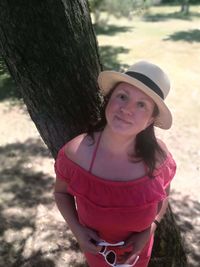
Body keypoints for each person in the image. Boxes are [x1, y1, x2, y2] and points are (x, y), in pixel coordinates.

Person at [54, 60, 176, 267]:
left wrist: (150, 229)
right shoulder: (76, 154)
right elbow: (61, 193)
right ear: (108, 101)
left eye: (141, 104)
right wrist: (78, 232)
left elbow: (164, 194)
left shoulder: (159, 158)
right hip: (96, 254)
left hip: (138, 255)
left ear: (150, 120)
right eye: (122, 96)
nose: (127, 109)